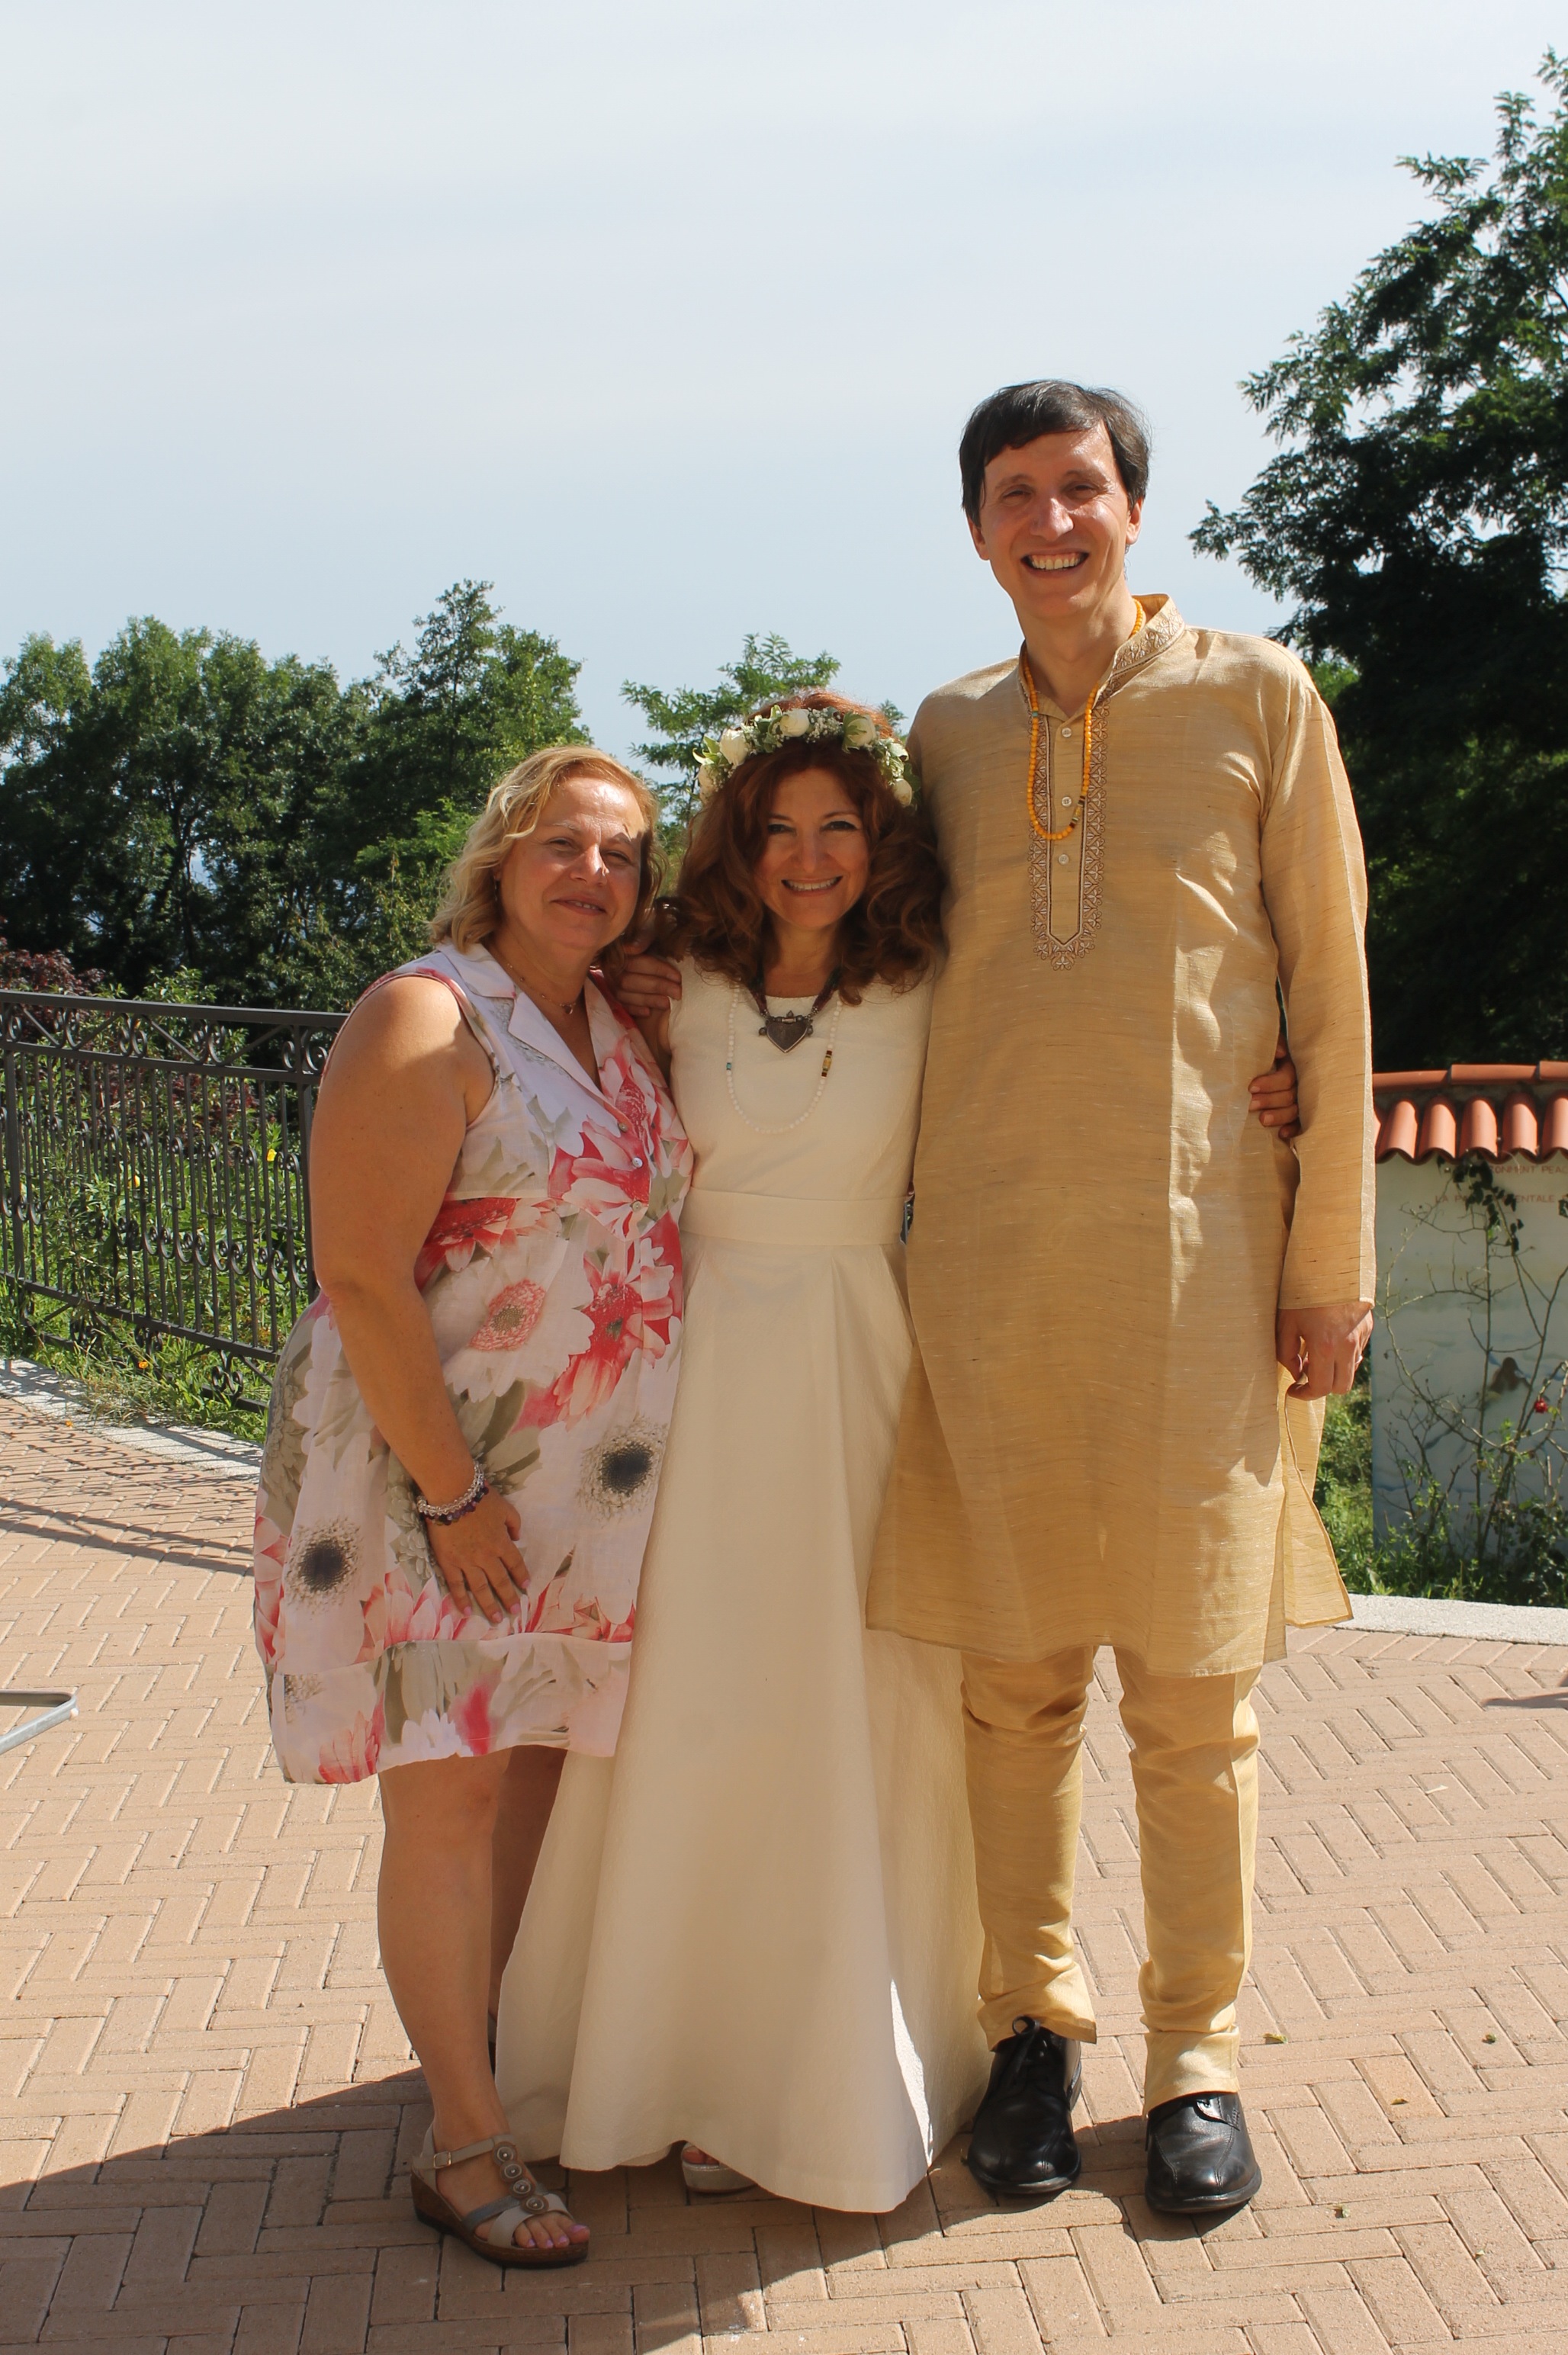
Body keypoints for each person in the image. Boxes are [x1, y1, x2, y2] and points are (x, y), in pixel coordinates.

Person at [494, 696, 1303, 2209]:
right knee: (698, 1708)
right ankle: (676, 2053)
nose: (808, 857)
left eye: (840, 826)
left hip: (867, 1360)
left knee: (860, 1707)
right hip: (700, 1375)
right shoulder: (672, 983)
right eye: (778, 827)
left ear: (883, 843)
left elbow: (1094, 1035)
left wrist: (1276, 1078)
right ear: (738, 843)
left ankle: (840, 2064)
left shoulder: (937, 981)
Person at [867, 380, 1375, 2215]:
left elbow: (1329, 985)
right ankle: (1031, 2029)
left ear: (1133, 509)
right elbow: (851, 946)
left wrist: (1328, 1263)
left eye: (1078, 486)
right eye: (1014, 494)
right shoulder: (941, 734)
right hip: (987, 1266)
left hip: (1200, 1262)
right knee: (1010, 1689)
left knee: (1189, 1695)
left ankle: (1193, 2056)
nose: (1050, 521)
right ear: (976, 531)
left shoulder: (1256, 695)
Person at [251, 746, 691, 2266]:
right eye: (562, 844)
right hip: (440, 1479)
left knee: (534, 1779)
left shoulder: (617, 1028)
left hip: (584, 1498)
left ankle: (488, 2063)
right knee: (448, 1793)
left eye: (622, 854)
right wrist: (451, 1494)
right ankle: (460, 2141)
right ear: (500, 855)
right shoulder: (427, 1014)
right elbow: (361, 1273)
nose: (593, 873)